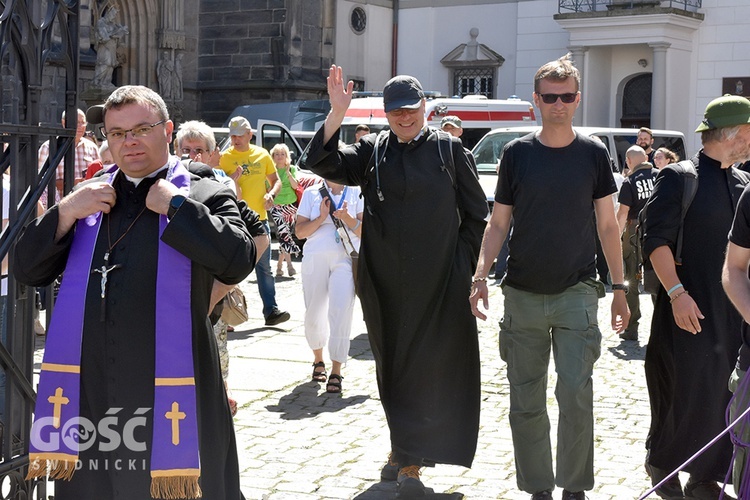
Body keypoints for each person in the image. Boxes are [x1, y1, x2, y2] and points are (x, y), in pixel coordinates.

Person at [15, 85, 254, 498]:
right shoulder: (90, 195)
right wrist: (67, 210)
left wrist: (178, 208)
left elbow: (239, 258)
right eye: (117, 133)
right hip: (90, 391)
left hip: (172, 387)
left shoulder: (203, 190)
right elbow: (26, 268)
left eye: (142, 128)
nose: (129, 141)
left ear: (168, 130)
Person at [300, 65, 488, 497]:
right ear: (386, 114)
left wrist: (462, 267)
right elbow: (321, 160)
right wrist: (336, 115)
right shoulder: (372, 151)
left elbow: (476, 214)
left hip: (439, 279)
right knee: (392, 366)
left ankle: (411, 462)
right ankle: (401, 448)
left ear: (425, 107)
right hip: (382, 280)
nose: (405, 117)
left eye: (412, 109)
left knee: (427, 368)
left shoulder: (448, 151)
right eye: (396, 111)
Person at [469, 54, 629, 500]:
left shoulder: (594, 153)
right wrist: (481, 275)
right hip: (521, 293)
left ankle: (574, 488)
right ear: (536, 100)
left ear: (577, 100)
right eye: (550, 97)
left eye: (567, 96)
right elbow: (498, 223)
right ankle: (537, 488)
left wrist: (619, 288)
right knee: (525, 402)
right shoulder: (517, 154)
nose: (559, 104)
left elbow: (608, 226)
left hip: (578, 291)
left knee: (576, 394)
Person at [642, 94, 750, 500]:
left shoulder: (743, 182)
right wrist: (676, 294)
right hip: (686, 308)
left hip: (733, 313)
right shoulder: (679, 177)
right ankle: (663, 462)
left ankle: (705, 478)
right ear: (736, 132)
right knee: (682, 394)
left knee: (723, 393)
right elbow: (656, 242)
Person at [176, 119, 270, 415]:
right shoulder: (161, 181)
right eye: (186, 149)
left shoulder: (220, 186)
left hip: (207, 299)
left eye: (200, 150)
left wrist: (215, 293)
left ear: (213, 154)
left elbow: (256, 237)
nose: (193, 156)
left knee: (211, 367)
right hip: (168, 298)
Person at [219, 116, 290, 326]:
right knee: (230, 270)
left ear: (250, 135)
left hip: (259, 220)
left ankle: (271, 311)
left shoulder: (262, 155)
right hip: (233, 221)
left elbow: (275, 181)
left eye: (239, 135)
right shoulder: (224, 158)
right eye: (232, 135)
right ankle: (228, 316)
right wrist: (232, 181)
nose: (235, 139)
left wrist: (271, 195)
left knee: (264, 268)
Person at [295, 179, 363, 393]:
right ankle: (318, 359)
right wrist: (322, 218)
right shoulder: (311, 193)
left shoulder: (356, 191)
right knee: (314, 312)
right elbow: (299, 232)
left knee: (341, 310)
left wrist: (347, 218)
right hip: (315, 258)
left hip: (345, 258)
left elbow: (365, 232)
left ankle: (336, 368)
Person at [615, 145, 656, 342]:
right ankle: (661, 329)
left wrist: (615, 236)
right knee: (660, 278)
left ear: (629, 162)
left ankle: (631, 328)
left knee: (631, 279)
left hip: (634, 232)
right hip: (659, 231)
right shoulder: (661, 176)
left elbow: (623, 212)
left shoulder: (630, 181)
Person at [38, 108, 101, 202]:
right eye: (76, 122)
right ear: (64, 123)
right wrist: (68, 183)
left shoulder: (92, 147)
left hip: (87, 205)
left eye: (83, 122)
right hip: (58, 205)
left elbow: (100, 176)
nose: (80, 126)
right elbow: (40, 182)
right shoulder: (48, 147)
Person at [268, 143, 301, 277]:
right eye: (277, 154)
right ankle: (289, 265)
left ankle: (279, 267)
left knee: (285, 235)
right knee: (283, 234)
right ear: (273, 156)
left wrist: (288, 173)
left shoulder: (292, 169)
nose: (280, 157)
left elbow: (295, 185)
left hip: (290, 206)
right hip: (277, 206)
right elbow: (268, 189)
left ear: (287, 156)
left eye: (282, 154)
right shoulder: (270, 171)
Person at [91, 7, 128, 89]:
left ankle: (106, 82)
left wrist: (121, 31)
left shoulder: (112, 25)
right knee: (105, 64)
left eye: (115, 15)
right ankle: (97, 81)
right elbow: (104, 36)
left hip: (112, 48)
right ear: (108, 13)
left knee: (111, 65)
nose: (114, 17)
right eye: (113, 14)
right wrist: (115, 32)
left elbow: (117, 36)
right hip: (104, 48)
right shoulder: (101, 23)